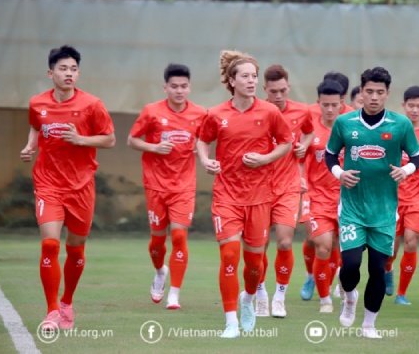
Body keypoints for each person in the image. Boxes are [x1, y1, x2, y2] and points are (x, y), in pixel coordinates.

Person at [196, 50, 293, 338]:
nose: (252, 81)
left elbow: (286, 143)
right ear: (232, 80)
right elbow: (202, 141)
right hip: (226, 196)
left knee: (253, 264)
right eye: (246, 76)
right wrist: (206, 161)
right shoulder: (215, 114)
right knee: (229, 255)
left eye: (254, 76)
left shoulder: (269, 111)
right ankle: (230, 321)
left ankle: (248, 301)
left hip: (261, 197)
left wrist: (265, 159)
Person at [20, 45, 115, 331]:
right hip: (48, 182)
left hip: (81, 185)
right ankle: (51, 312)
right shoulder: (37, 103)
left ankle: (67, 303)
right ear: (51, 73)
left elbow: (109, 139)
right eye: (63, 68)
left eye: (74, 69)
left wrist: (82, 140)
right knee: (50, 244)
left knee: (75, 250)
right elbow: (36, 126)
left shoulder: (92, 104)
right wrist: (30, 146)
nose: (69, 73)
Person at [324, 67, 419, 338]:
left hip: (384, 210)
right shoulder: (345, 123)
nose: (374, 97)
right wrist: (340, 174)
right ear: (361, 92)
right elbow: (330, 155)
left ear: (388, 94)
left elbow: (417, 157)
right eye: (369, 91)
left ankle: (369, 325)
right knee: (351, 266)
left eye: (380, 92)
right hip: (353, 208)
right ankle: (349, 296)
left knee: (378, 269)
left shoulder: (400, 125)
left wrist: (406, 171)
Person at [128, 63, 206, 310]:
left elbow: (206, 139)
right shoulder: (151, 111)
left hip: (184, 186)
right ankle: (160, 271)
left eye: (184, 86)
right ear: (165, 88)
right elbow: (132, 140)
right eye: (174, 86)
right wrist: (154, 148)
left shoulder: (199, 114)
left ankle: (174, 294)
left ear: (189, 87)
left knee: (180, 235)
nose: (179, 91)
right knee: (157, 243)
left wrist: (200, 149)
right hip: (155, 185)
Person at [255, 64, 314, 318]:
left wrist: (304, 147)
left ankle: (279, 296)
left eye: (283, 90)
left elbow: (310, 132)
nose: (279, 96)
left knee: (284, 241)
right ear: (264, 89)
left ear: (288, 87)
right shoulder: (257, 111)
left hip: (289, 186)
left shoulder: (302, 111)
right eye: (273, 91)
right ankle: (260, 293)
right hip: (258, 188)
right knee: (260, 245)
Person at [384, 86, 419, 305]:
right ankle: (388, 268)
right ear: (403, 106)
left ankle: (401, 293)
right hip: (392, 196)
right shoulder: (394, 129)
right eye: (411, 105)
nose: (414, 110)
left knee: (411, 243)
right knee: (390, 246)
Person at [303, 79, 346, 312]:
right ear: (318, 103)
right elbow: (299, 159)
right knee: (322, 246)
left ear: (342, 104)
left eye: (334, 105)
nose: (329, 109)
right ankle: (324, 299)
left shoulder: (351, 129)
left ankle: (332, 281)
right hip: (317, 197)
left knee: (341, 249)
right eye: (325, 104)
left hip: (346, 199)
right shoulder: (310, 130)